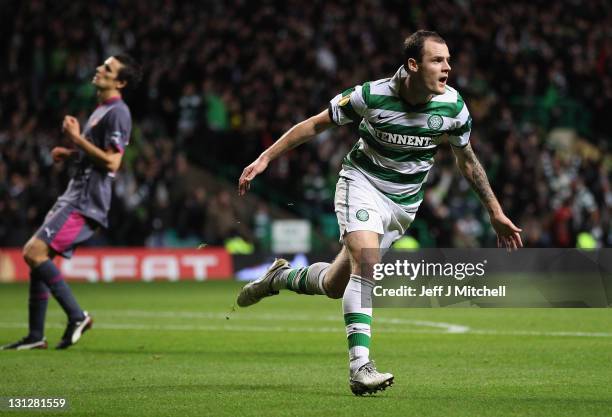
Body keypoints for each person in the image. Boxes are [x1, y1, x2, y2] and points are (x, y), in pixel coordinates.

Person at [235, 31, 523, 395]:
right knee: (366, 265)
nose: (447, 67)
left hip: (403, 206)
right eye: (438, 60)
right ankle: (360, 367)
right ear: (413, 65)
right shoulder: (371, 95)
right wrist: (264, 159)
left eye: (448, 60)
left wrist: (495, 212)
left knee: (334, 285)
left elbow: (466, 161)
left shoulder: (452, 107)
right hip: (362, 184)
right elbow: (314, 124)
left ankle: (278, 278)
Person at [1, 54, 142, 350]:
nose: (99, 70)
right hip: (75, 192)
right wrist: (71, 153)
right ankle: (35, 336)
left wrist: (77, 141)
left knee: (33, 252)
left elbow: (114, 163)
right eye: (102, 65)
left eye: (108, 69)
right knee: (40, 260)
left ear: (120, 82)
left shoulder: (119, 112)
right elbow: (96, 154)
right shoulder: (101, 110)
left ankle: (77, 316)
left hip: (85, 200)